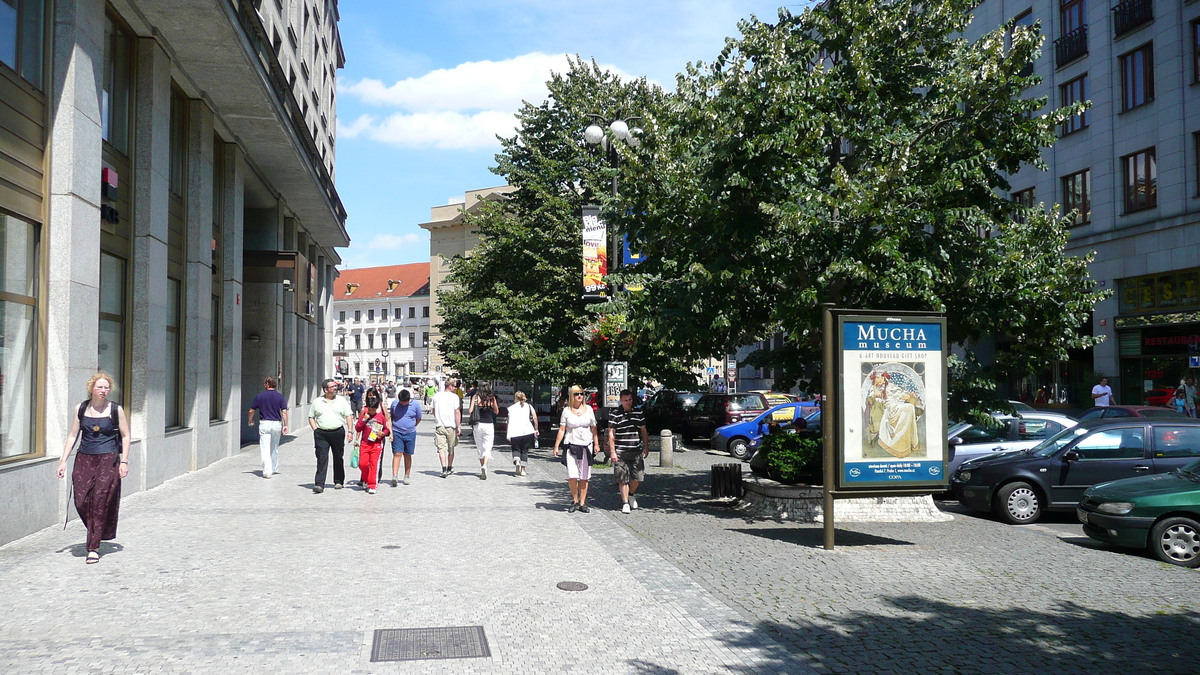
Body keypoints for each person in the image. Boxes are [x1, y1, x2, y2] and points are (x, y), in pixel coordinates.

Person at [56, 373, 130, 564]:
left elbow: (126, 435)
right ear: (92, 389)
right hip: (84, 459)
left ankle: (93, 548)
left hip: (108, 460)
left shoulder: (115, 409)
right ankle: (97, 529)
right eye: (100, 387)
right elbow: (73, 435)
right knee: (81, 501)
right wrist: (63, 461)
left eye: (106, 388)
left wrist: (124, 461)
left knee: (99, 502)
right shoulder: (80, 408)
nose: (103, 391)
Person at [552, 385, 600, 513]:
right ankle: (575, 500)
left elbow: (594, 428)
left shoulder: (589, 409)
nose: (579, 396)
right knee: (572, 475)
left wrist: (596, 444)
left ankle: (582, 503)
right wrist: (556, 446)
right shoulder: (567, 411)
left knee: (584, 476)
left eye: (581, 394)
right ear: (572, 396)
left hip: (586, 445)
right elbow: (562, 430)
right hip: (571, 444)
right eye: (576, 394)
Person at [309, 378, 355, 494]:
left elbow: (348, 416)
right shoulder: (317, 402)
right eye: (332, 387)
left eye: (335, 386)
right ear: (325, 390)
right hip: (322, 433)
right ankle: (319, 484)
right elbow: (311, 417)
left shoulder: (341, 400)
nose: (335, 388)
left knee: (338, 457)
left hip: (337, 432)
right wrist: (316, 430)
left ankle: (339, 480)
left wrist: (350, 431)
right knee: (322, 458)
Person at [607, 389, 649, 514]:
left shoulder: (638, 412)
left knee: (638, 477)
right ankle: (625, 503)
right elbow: (611, 433)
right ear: (621, 400)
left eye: (630, 399)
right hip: (621, 450)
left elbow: (643, 430)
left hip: (636, 450)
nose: (628, 402)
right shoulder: (615, 413)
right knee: (622, 479)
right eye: (626, 400)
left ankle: (631, 494)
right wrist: (613, 452)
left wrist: (646, 446)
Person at [247, 377, 288, 479]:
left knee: (265, 447)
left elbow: (251, 410)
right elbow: (284, 412)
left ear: (266, 384)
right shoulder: (280, 397)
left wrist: (250, 420)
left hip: (265, 423)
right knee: (274, 447)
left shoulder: (260, 396)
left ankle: (267, 471)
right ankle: (274, 468)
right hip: (276, 424)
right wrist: (285, 425)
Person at [354, 387, 390, 494]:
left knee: (374, 464)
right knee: (363, 464)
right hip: (365, 443)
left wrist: (384, 433)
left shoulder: (380, 417)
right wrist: (364, 419)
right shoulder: (365, 414)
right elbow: (358, 428)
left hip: (376, 444)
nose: (371, 411)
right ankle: (365, 479)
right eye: (369, 409)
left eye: (373, 409)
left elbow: (386, 428)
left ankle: (372, 485)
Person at [389, 388, 422, 485]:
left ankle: (407, 475)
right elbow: (391, 417)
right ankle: (394, 476)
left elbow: (418, 418)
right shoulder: (395, 404)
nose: (403, 404)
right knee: (397, 453)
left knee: (407, 454)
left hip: (410, 433)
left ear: (409, 400)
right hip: (397, 432)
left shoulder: (415, 405)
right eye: (401, 402)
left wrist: (412, 426)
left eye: (405, 402)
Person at [467, 383, 499, 479]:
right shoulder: (491, 397)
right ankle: (485, 465)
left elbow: (470, 411)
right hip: (489, 424)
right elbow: (496, 411)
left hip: (478, 424)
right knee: (488, 446)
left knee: (480, 446)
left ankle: (482, 467)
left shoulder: (476, 397)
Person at [432, 380, 462, 477]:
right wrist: (459, 426)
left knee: (441, 448)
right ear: (449, 386)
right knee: (451, 448)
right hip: (451, 426)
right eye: (454, 386)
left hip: (439, 425)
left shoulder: (437, 396)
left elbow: (433, 410)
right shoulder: (454, 397)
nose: (455, 388)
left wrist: (437, 417)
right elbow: (457, 412)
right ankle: (449, 467)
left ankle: (444, 468)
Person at [506, 391, 538, 476]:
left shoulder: (511, 408)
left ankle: (517, 462)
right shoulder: (529, 406)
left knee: (516, 449)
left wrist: (508, 433)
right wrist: (536, 429)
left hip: (515, 431)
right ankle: (523, 470)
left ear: (515, 398)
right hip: (527, 431)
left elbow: (509, 421)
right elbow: (535, 418)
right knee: (524, 450)